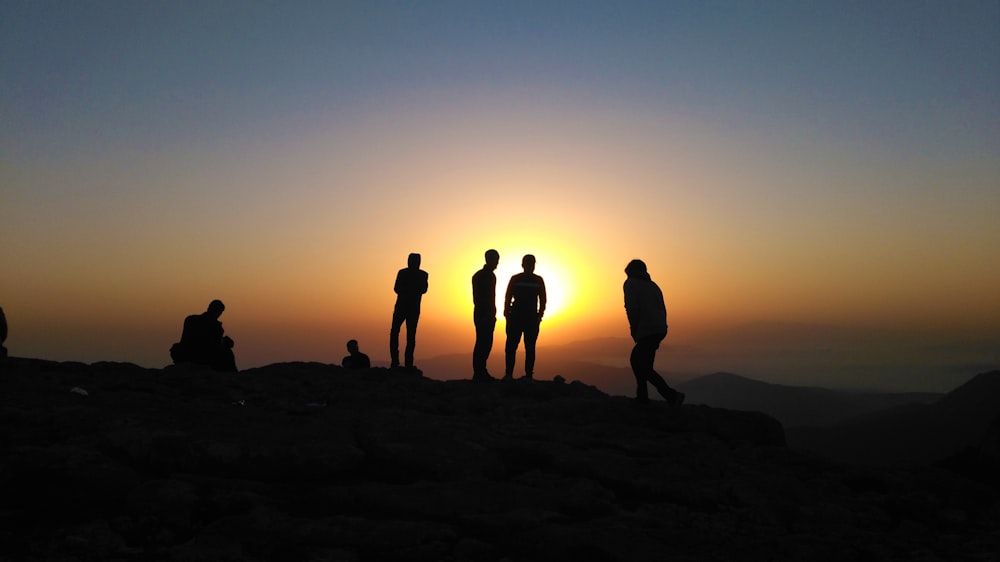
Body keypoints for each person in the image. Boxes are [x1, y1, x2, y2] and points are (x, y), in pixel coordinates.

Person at [623, 259, 684, 406]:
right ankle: (643, 397)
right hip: (659, 328)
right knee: (643, 364)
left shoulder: (631, 284)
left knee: (639, 363)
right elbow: (662, 308)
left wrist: (634, 329)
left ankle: (670, 395)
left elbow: (632, 308)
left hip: (647, 329)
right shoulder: (653, 285)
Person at [503, 254, 546, 380]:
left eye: (531, 264)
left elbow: (543, 300)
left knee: (524, 347)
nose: (530, 266)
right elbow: (508, 297)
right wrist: (507, 314)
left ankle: (522, 375)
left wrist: (539, 315)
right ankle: (512, 374)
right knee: (517, 346)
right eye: (529, 264)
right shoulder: (534, 280)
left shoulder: (519, 279)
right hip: (521, 318)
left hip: (525, 318)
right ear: (524, 265)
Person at [169, 299, 238, 372]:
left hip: (185, 354)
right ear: (218, 312)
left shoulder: (190, 319)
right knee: (228, 353)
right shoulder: (215, 326)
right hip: (202, 357)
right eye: (219, 313)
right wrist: (225, 342)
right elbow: (213, 344)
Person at [389, 253, 428, 370]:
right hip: (412, 308)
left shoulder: (404, 273)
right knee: (409, 336)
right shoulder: (422, 275)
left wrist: (406, 292)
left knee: (398, 333)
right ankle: (406, 362)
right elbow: (424, 289)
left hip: (403, 306)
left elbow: (396, 288)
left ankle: (397, 362)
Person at [472, 249, 500, 381]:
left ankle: (480, 371)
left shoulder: (480, 275)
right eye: (496, 260)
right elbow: (481, 298)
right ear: (490, 260)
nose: (497, 264)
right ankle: (479, 372)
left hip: (484, 313)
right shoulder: (485, 276)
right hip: (484, 313)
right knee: (483, 342)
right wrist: (487, 314)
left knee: (484, 342)